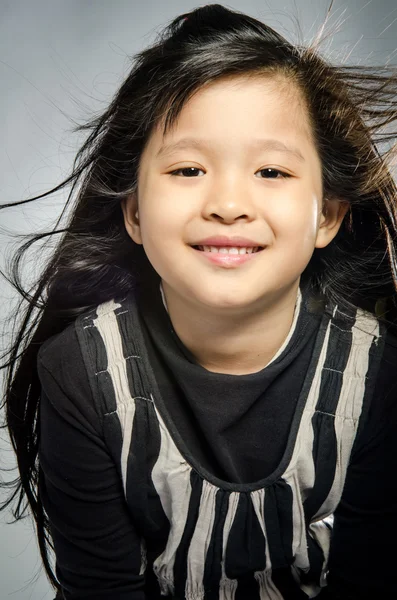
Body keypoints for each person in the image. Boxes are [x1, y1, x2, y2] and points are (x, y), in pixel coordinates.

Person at [1, 3, 397, 599]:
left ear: (329, 215)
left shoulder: (377, 375)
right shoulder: (82, 374)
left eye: (271, 171)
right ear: (134, 212)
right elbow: (101, 591)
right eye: (188, 169)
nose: (228, 203)